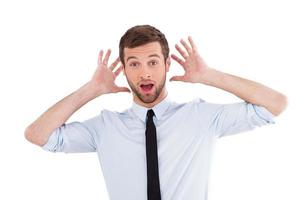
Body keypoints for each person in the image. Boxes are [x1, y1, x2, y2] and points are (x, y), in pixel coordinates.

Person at [24, 24, 287, 200]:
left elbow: (275, 104)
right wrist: (92, 89)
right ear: (124, 70)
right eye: (134, 64)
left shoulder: (200, 117)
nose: (145, 72)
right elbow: (38, 134)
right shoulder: (105, 127)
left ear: (167, 64)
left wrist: (209, 76)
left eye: (152, 62)